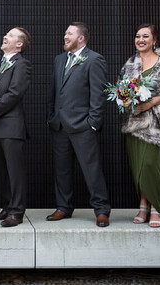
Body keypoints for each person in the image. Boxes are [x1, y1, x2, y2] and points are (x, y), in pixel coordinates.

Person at [46, 22, 111, 227]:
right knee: (62, 170)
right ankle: (63, 207)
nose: (65, 36)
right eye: (65, 33)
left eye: (69, 34)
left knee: (92, 170)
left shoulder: (94, 59)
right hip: (60, 125)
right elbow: (54, 92)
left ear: (81, 38)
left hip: (83, 126)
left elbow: (98, 94)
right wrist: (51, 116)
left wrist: (93, 123)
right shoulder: (59, 59)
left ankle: (101, 210)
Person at [119, 24, 160, 228]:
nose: (140, 39)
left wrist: (150, 103)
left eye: (145, 36)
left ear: (154, 40)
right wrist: (126, 100)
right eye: (137, 36)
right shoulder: (129, 64)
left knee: (150, 164)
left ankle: (156, 209)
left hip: (153, 120)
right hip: (133, 121)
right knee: (137, 166)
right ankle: (143, 205)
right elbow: (122, 90)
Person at [0, 27, 32, 227]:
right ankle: (7, 207)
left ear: (19, 44)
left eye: (10, 36)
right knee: (2, 171)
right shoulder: (1, 63)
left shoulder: (22, 64)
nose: (5, 37)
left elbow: (15, 93)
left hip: (11, 127)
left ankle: (17, 212)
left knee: (14, 172)